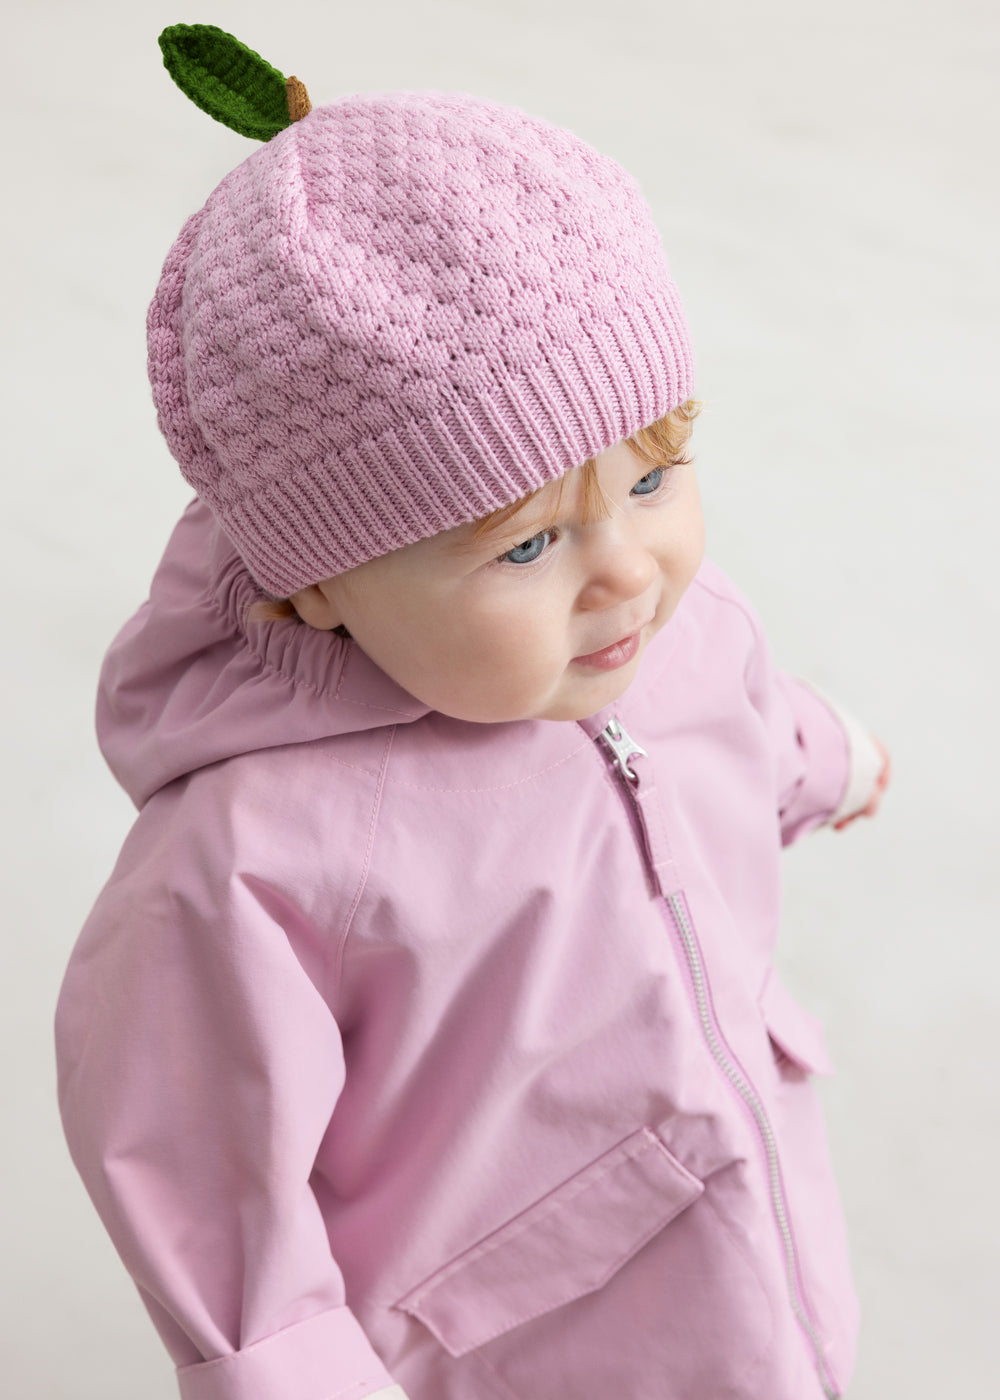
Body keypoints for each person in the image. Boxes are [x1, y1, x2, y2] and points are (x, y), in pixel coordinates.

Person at [55, 26, 890, 1400]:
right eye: (526, 546)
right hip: (520, 1354)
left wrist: (825, 756)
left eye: (652, 477)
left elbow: (720, 722)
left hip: (752, 1247)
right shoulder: (250, 864)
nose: (628, 572)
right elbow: (203, 1191)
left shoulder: (668, 629)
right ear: (319, 584)